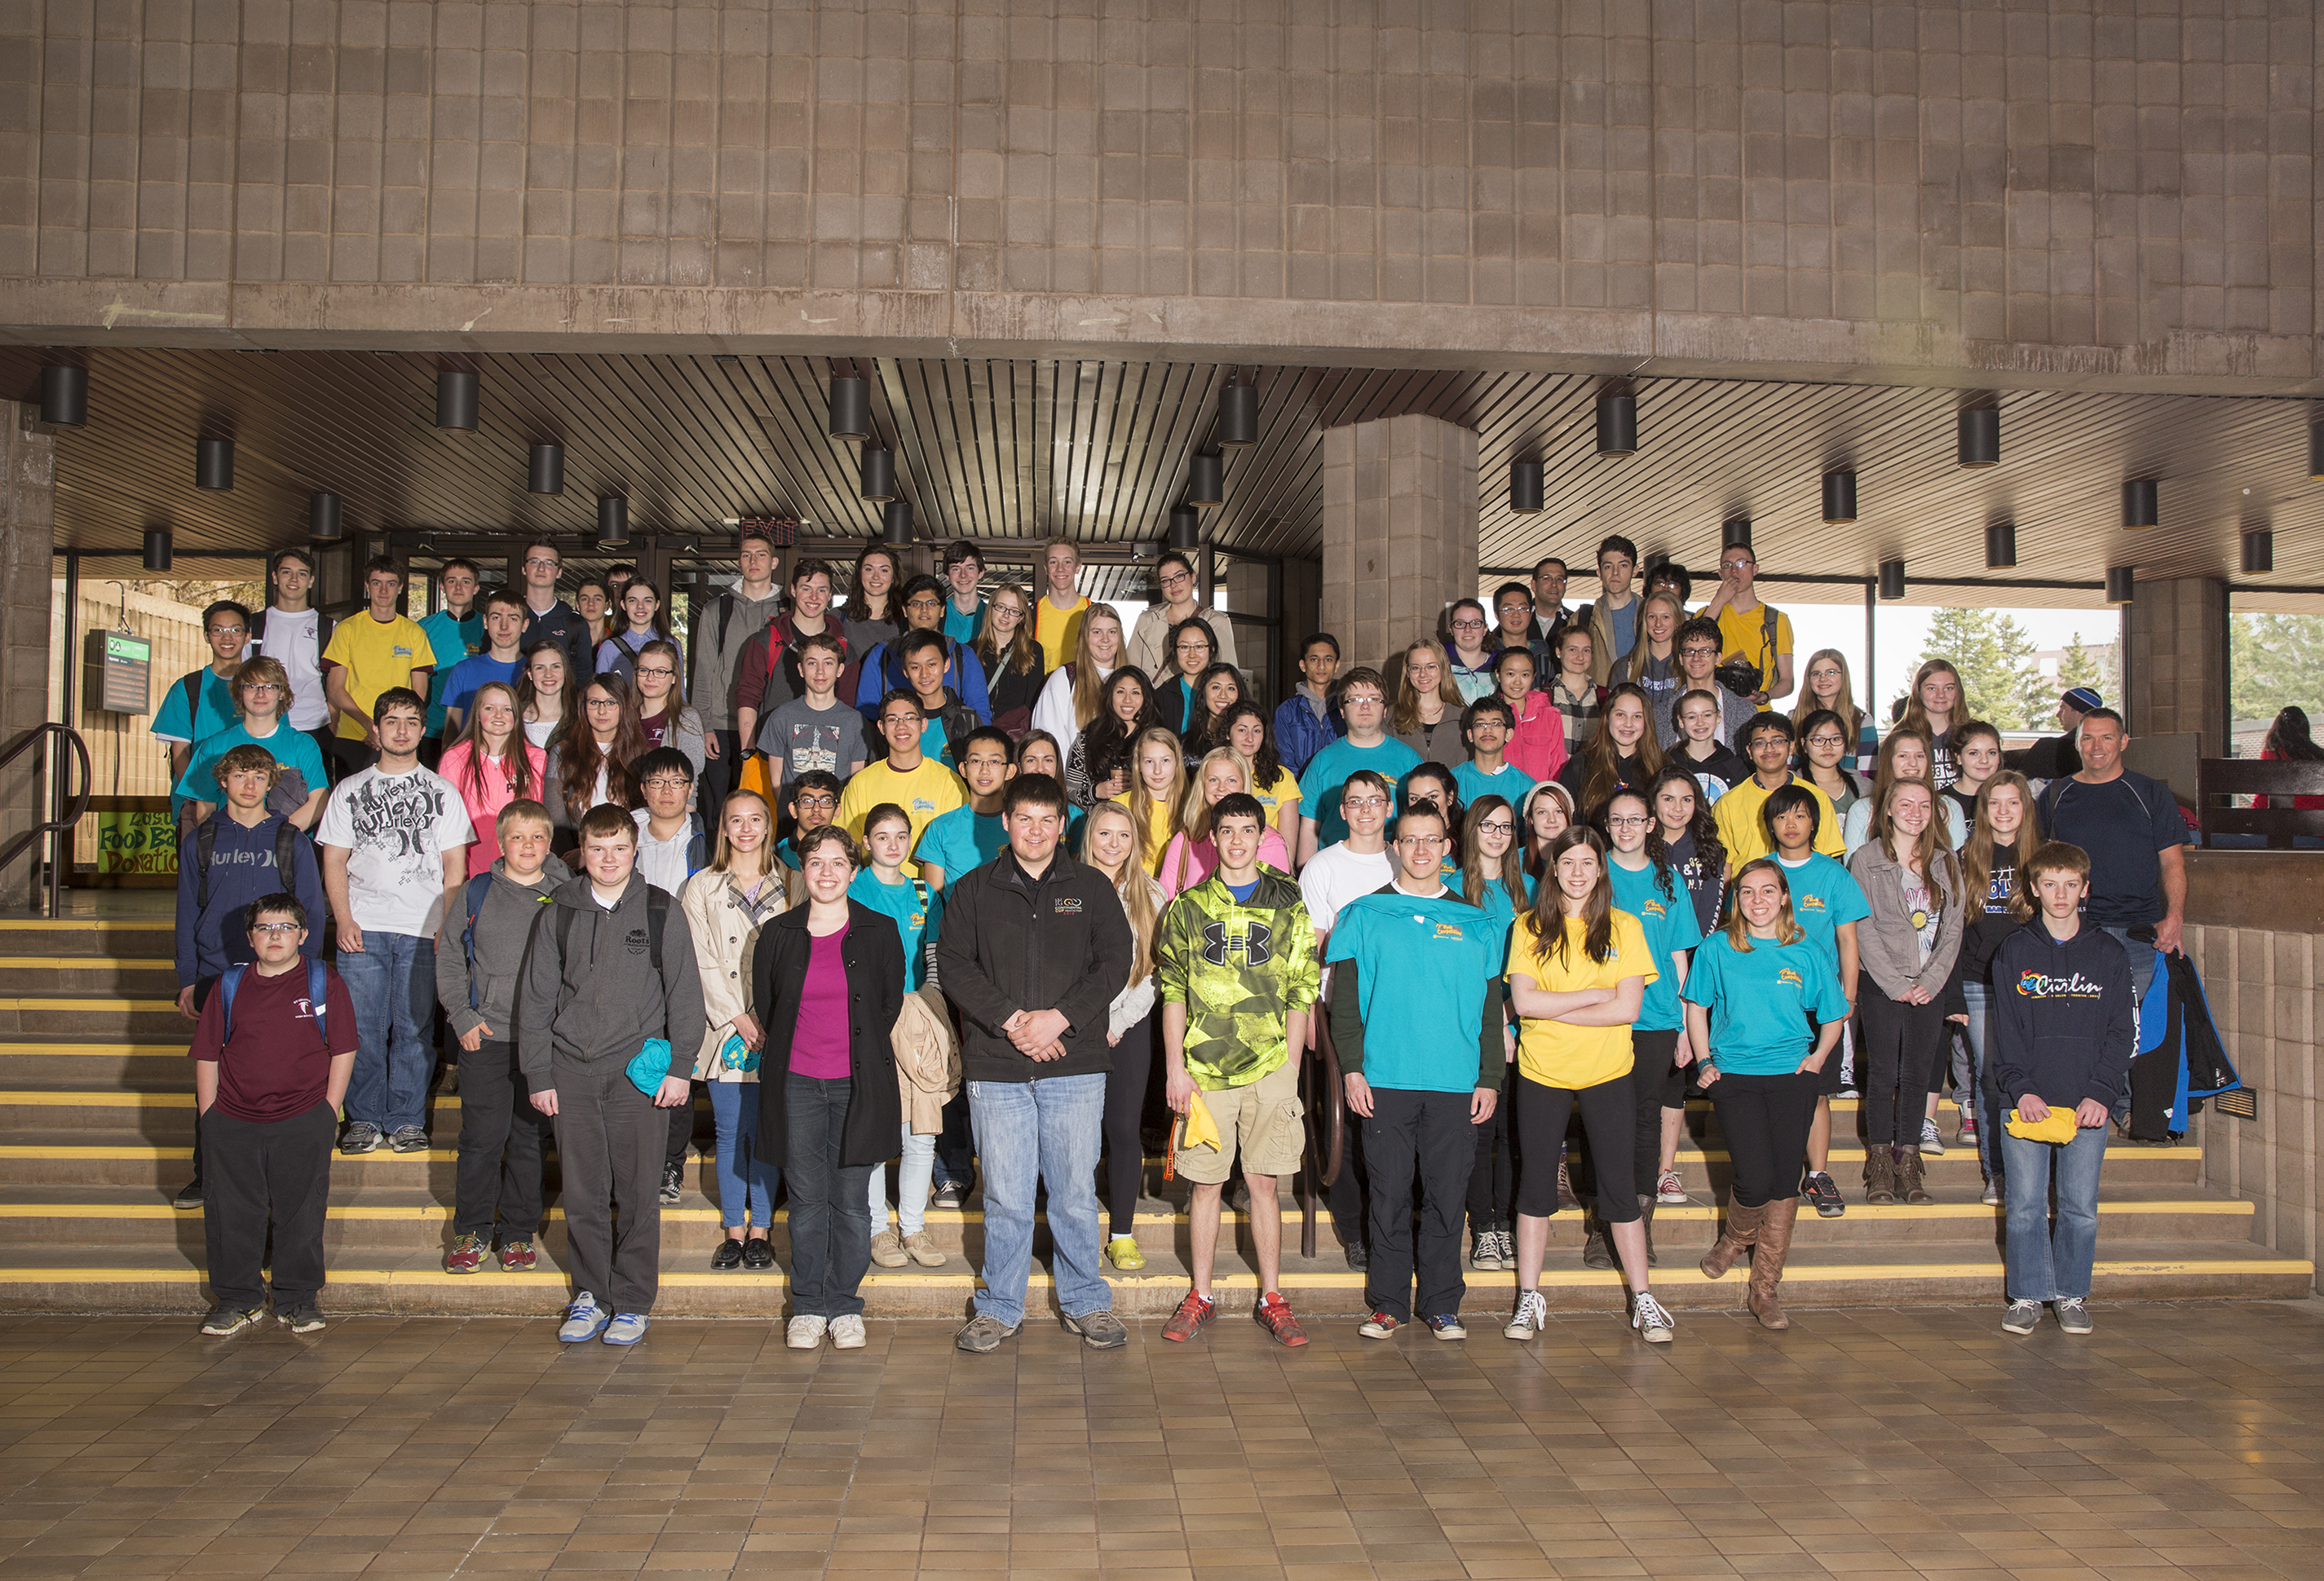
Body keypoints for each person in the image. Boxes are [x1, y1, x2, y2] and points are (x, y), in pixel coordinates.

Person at [935, 774, 1134, 1354]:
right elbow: (954, 963)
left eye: (1048, 820)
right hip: (997, 1066)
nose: (1037, 831)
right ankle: (999, 1305)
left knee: (1073, 1189)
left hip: (1074, 1064)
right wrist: (1013, 1020)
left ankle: (1086, 1300)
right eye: (1025, 819)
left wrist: (1060, 1019)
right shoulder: (973, 890)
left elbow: (1115, 961)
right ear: (1006, 822)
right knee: (1006, 1192)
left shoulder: (1091, 889)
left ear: (1062, 825)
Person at [523, 804, 706, 1347]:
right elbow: (535, 1000)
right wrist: (538, 1072)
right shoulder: (557, 910)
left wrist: (680, 1066)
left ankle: (630, 1300)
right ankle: (590, 1293)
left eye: (620, 847)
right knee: (582, 1192)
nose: (609, 858)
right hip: (571, 1069)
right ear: (582, 851)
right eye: (598, 848)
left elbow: (685, 994)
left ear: (635, 850)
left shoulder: (659, 909)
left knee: (637, 1191)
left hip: (636, 1075)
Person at [1329, 803, 1503, 1341]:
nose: (1421, 850)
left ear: (1448, 846)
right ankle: (1388, 1303)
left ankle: (1442, 1303)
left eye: (1432, 840)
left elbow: (1490, 1009)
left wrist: (1491, 1076)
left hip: (1454, 1082)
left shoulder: (1477, 921)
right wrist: (1353, 1071)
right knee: (1388, 1193)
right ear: (1395, 846)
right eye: (1410, 840)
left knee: (1449, 1194)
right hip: (1386, 1080)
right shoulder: (1364, 914)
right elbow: (1344, 1007)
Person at [1155, 793, 1319, 1347]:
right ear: (1213, 836)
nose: (1237, 840)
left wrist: (1291, 1067)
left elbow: (1303, 988)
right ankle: (1201, 1294)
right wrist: (1176, 1068)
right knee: (1204, 1185)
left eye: (1247, 829)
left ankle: (1272, 1295)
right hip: (1205, 1069)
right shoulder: (1188, 907)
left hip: (1271, 1063)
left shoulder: (1288, 900)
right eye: (1227, 829)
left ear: (1261, 834)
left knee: (1264, 1184)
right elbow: (1172, 991)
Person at [1503, 829, 1673, 1345]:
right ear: (1552, 869)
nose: (1577, 872)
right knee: (1535, 1188)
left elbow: (1627, 1010)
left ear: (1601, 870)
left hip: (1608, 1073)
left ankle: (1643, 1298)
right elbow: (1524, 1004)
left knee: (1619, 1190)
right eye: (1567, 862)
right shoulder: (1528, 927)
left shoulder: (1625, 927)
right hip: (1542, 1072)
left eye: (1587, 863)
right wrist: (1593, 994)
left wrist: (1560, 1003)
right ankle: (1529, 1297)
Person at [751, 824, 904, 1351]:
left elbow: (888, 1005)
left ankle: (844, 1304)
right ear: (803, 868)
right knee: (808, 1201)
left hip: (857, 1087)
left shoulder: (880, 931)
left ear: (854, 870)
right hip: (795, 1086)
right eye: (816, 862)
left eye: (838, 862)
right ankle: (809, 1304)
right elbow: (769, 1006)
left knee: (853, 1202)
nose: (826, 872)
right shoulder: (778, 934)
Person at [1681, 859, 1849, 1330]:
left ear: (1783, 897)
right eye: (1747, 892)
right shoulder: (1717, 948)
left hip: (1792, 1077)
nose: (1758, 901)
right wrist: (1705, 1062)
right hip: (1734, 1076)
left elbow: (1834, 1013)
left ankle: (1764, 1289)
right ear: (1737, 900)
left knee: (1782, 1183)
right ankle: (1735, 1237)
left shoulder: (1806, 950)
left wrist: (1816, 1060)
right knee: (1754, 1177)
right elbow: (1697, 1008)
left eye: (1768, 891)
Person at [189, 892, 357, 1338]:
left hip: (304, 1116)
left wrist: (328, 1110)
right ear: (250, 938)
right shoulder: (229, 985)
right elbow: (207, 1054)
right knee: (230, 1213)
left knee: (300, 1212)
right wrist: (211, 1117)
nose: (274, 936)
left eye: (284, 927)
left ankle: (297, 1298)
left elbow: (343, 1048)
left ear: (303, 935)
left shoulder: (324, 981)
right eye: (264, 927)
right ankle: (237, 1299)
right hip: (233, 1119)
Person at [170, 743, 329, 1213]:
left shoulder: (290, 840)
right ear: (223, 781)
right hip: (216, 972)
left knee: (270, 1068)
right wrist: (186, 975)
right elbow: (185, 912)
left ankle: (273, 1177)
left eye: (259, 777)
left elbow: (312, 911)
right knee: (213, 1076)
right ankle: (208, 1176)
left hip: (277, 975)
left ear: (269, 783)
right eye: (240, 776)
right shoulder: (201, 839)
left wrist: (308, 971)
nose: (249, 785)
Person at [315, 687, 473, 1155]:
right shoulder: (349, 791)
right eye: (391, 721)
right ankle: (363, 1118)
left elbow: (455, 868)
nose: (401, 730)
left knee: (413, 1027)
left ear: (422, 731)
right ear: (376, 730)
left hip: (422, 929)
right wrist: (342, 919)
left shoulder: (443, 793)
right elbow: (334, 862)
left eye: (410, 721)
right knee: (362, 1028)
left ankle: (405, 1119)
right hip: (363, 925)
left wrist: (447, 925)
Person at [1993, 841, 2136, 1338]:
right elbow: (2006, 1031)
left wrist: (2102, 1092)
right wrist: (2022, 1088)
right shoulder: (2014, 951)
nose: (2060, 894)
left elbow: (2123, 1032)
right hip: (2028, 1101)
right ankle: (2029, 1295)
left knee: (2080, 1208)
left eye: (2070, 885)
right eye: (2050, 884)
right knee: (2027, 1205)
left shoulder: (2109, 954)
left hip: (2086, 1105)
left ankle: (2072, 1294)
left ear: (2085, 890)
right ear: (2034, 889)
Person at [435, 799, 568, 1275]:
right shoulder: (478, 892)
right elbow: (451, 957)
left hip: (543, 1042)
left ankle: (517, 1234)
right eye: (518, 837)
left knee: (530, 1142)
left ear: (550, 845)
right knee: (481, 1140)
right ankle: (472, 1231)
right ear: (501, 842)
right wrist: (463, 1016)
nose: (528, 846)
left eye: (538, 837)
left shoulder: (566, 894)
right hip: (486, 1037)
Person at [1588, 788, 1705, 1274]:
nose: (1627, 828)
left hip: (1656, 1019)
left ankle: (1637, 1223)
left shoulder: (1668, 879)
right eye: (1617, 821)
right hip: (1600, 1015)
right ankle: (1601, 1227)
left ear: (1651, 825)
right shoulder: (1594, 875)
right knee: (1601, 1122)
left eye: (1636, 819)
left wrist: (1683, 1025)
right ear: (1607, 827)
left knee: (1642, 1123)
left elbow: (1679, 956)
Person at [681, 788, 789, 1272]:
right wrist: (737, 1017)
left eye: (755, 820)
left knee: (766, 1129)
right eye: (735, 820)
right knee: (729, 1132)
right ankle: (733, 1231)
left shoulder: (791, 882)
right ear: (723, 828)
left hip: (777, 1024)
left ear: (768, 827)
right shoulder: (701, 886)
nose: (746, 829)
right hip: (725, 1025)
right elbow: (699, 960)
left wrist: (769, 1014)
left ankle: (762, 1229)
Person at [1848, 777, 1965, 1207]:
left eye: (1924, 805)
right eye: (1906, 804)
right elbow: (1863, 926)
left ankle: (1909, 1162)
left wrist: (1930, 983)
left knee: (1918, 1075)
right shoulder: (1866, 859)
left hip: (1929, 986)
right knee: (1882, 1074)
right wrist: (1897, 985)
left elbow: (1953, 929)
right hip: (1883, 985)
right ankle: (1880, 1163)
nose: (1915, 813)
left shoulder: (1946, 862)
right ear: (1889, 810)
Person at [846, 804, 952, 1273]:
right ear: (866, 841)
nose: (893, 844)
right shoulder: (852, 888)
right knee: (877, 1127)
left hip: (917, 1016)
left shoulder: (924, 892)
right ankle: (876, 1228)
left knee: (921, 1129)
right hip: (868, 1016)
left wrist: (929, 1007)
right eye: (883, 835)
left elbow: (934, 955)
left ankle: (912, 1225)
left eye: (901, 835)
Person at [1298, 769, 1395, 1267]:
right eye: (1355, 801)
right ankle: (1354, 1227)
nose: (1365, 810)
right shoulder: (1321, 866)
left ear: (1388, 806)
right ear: (1342, 810)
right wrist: (1313, 1012)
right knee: (1352, 1121)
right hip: (1343, 1009)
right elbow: (1312, 947)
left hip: (1399, 1009)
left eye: (1374, 800)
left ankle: (1395, 1225)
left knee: (1396, 1122)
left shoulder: (1407, 857)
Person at [1760, 784, 1867, 1220]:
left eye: (1800, 816)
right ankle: (1769, 1171)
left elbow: (1847, 940)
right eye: (1782, 817)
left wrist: (1849, 998)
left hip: (1818, 1002)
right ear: (1771, 824)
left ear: (1814, 824)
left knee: (1816, 1092)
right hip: (1766, 1002)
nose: (1790, 824)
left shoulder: (1834, 875)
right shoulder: (1758, 871)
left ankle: (1818, 1174)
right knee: (1770, 1090)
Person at [2033, 707, 2188, 1005]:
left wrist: (2175, 917)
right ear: (2077, 743)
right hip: (2074, 930)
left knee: (2132, 1031)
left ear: (2124, 742)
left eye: (2106, 737)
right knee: (2077, 1025)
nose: (2096, 747)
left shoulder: (2151, 793)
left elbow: (2173, 863)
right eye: (2088, 738)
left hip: (2139, 933)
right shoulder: (2055, 794)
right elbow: (2035, 864)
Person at [1080, 802, 1164, 1271]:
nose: (1113, 844)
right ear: (1089, 836)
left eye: (1124, 836)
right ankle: (1075, 1228)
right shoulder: (1066, 886)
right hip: (1076, 1027)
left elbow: (1154, 972)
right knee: (1077, 1135)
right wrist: (1087, 1022)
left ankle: (1123, 1233)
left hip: (1128, 1028)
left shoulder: (1149, 894)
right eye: (1104, 834)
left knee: (1123, 1129)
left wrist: (1118, 1022)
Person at [1957, 771, 2040, 1203]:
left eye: (2013, 802)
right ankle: (1999, 1174)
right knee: (1991, 1080)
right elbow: (1949, 933)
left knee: (2037, 1076)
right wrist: (1952, 990)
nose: (2004, 811)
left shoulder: (2044, 859)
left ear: (2026, 809)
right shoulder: (1964, 858)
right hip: (1979, 985)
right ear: (1983, 810)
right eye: (1995, 803)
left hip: (2036, 988)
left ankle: (2038, 1173)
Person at [1456, 797, 1528, 1270]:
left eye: (1505, 827)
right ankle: (1483, 1228)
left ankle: (1505, 1225)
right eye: (1488, 825)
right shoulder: (1452, 887)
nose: (1497, 835)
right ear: (1471, 830)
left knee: (1515, 1135)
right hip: (1475, 1027)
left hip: (1527, 1026)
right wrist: (1497, 1023)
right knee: (1480, 1133)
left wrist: (1515, 1022)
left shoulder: (1532, 889)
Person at [690, 526, 784, 820]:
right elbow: (704, 668)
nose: (753, 561)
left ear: (774, 562)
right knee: (722, 807)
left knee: (767, 805)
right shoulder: (718, 609)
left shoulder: (788, 611)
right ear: (739, 562)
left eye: (761, 555)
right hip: (723, 724)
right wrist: (703, 725)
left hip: (771, 722)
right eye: (746, 555)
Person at [174, 657, 329, 831]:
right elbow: (205, 809)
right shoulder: (214, 747)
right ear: (239, 692)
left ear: (282, 693)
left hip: (287, 848)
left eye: (269, 686)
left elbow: (319, 800)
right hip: (230, 848)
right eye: (251, 686)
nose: (260, 694)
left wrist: (277, 837)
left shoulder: (303, 744)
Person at [321, 557, 437, 774]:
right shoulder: (347, 629)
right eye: (377, 583)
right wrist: (369, 725)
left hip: (398, 737)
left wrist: (390, 727)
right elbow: (335, 689)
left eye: (391, 583)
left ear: (400, 587)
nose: (383, 590)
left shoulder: (414, 633)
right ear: (367, 586)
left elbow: (419, 692)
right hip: (354, 734)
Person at [732, 558, 849, 767]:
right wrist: (749, 751)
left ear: (830, 595)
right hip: (770, 755)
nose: (814, 597)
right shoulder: (766, 641)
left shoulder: (843, 646)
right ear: (793, 590)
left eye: (821, 590)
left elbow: (848, 706)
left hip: (826, 759)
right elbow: (748, 696)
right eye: (806, 589)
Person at [1297, 668, 1421, 863]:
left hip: (1393, 866)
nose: (1365, 706)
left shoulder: (1409, 760)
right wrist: (1305, 876)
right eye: (1355, 699)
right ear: (1342, 711)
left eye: (1374, 699)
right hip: (1335, 868)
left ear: (1385, 710)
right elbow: (1309, 829)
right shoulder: (1322, 761)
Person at [834, 692, 969, 866]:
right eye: (892, 720)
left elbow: (959, 848)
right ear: (881, 727)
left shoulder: (949, 782)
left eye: (910, 718)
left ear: (924, 724)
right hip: (875, 890)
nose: (901, 726)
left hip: (929, 890)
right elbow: (847, 847)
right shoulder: (861, 783)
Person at [438, 681, 548, 877]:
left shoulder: (536, 759)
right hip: (469, 865)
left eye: (506, 709)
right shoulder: (455, 757)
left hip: (522, 867)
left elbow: (540, 820)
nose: (499, 716)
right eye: (490, 708)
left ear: (516, 715)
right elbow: (444, 821)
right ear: (477, 714)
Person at [854, 575, 993, 725]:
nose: (924, 610)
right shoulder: (881, 655)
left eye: (932, 603)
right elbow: (866, 715)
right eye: (916, 604)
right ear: (905, 611)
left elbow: (980, 715)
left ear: (942, 610)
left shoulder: (962, 655)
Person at [247, 547, 337, 776]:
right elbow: (241, 678)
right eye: (287, 572)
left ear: (311, 581)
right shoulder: (254, 624)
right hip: (265, 725)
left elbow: (338, 683)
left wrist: (333, 724)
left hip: (315, 726)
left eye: (302, 574)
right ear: (275, 578)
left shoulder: (328, 627)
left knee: (314, 797)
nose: (294, 579)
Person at [1156, 747, 1291, 897]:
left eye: (1231, 780)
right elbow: (1166, 904)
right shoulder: (1186, 840)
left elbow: (1281, 905)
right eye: (1213, 779)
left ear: (1243, 784)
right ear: (1202, 785)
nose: (1221, 788)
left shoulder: (1270, 842)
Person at [1713, 713, 1843, 865]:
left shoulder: (1816, 797)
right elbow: (1725, 866)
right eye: (1760, 743)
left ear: (1792, 746)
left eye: (1777, 741)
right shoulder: (1728, 803)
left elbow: (1826, 860)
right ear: (1749, 751)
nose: (1769, 749)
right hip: (1748, 887)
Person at [153, 600, 253, 783]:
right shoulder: (188, 687)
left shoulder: (264, 687)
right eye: (218, 630)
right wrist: (194, 799)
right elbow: (180, 752)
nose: (227, 638)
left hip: (251, 797)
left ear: (247, 636)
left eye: (235, 630)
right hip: (198, 794)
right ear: (207, 636)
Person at [753, 631, 868, 789]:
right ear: (801, 669)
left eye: (828, 663)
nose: (820, 671)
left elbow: (856, 782)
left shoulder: (855, 721)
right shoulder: (781, 717)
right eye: (812, 663)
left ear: (840, 669)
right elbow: (776, 781)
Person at [546, 674, 645, 845]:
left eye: (611, 703)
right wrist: (581, 855)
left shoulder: (642, 756)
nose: (602, 711)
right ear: (583, 707)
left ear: (624, 707)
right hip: (575, 858)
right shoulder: (562, 753)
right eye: (594, 703)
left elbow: (645, 819)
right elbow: (556, 822)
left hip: (628, 857)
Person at [1841, 726, 1968, 855]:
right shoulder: (1862, 810)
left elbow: (1957, 866)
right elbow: (1855, 870)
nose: (1913, 763)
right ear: (1888, 761)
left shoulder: (1949, 808)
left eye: (1920, 756)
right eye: (1903, 756)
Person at [917, 726, 1016, 889]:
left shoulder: (1024, 825)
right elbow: (933, 900)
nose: (984, 770)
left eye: (994, 762)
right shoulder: (941, 828)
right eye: (976, 761)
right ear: (963, 769)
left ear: (1009, 771)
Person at [1699, 542, 1793, 704]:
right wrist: (1719, 600)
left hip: (1757, 713)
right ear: (1721, 573)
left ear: (1755, 569)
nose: (1734, 571)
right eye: (1727, 565)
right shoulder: (1708, 614)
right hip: (1714, 711)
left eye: (1742, 563)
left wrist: (1765, 696)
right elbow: (1693, 646)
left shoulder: (1775, 620)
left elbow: (1787, 681)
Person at [1557, 682, 1663, 815]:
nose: (1628, 724)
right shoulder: (1580, 765)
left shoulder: (1662, 765)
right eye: (1620, 715)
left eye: (1637, 716)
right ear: (1607, 717)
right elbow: (1565, 819)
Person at [1129, 549, 1240, 677]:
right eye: (1166, 580)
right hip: (1156, 695)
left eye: (1179, 576)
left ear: (1193, 577)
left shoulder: (1217, 622)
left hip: (1199, 695)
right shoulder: (1148, 620)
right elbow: (1132, 670)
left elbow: (1228, 675)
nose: (1174, 585)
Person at [1029, 604, 1124, 748]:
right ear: (1084, 636)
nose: (1105, 639)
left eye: (1112, 632)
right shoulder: (1064, 680)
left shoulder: (1137, 681)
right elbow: (1046, 744)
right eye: (1097, 632)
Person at [440, 587, 529, 739]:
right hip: (472, 758)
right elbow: (451, 733)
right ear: (485, 622)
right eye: (496, 618)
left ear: (525, 625)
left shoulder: (534, 672)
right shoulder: (463, 670)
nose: (504, 626)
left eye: (513, 619)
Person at [1655, 618, 1757, 748]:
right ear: (1681, 659)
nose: (1696, 658)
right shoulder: (1662, 714)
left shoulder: (1745, 711)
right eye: (1690, 651)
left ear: (1718, 658)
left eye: (1705, 651)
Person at [1066, 666, 1155, 809]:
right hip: (1097, 825)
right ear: (1109, 696)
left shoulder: (1157, 742)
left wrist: (1141, 785)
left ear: (1146, 698)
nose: (1128, 700)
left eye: (1136, 692)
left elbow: (1172, 792)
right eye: (1120, 692)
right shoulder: (1087, 740)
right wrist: (1096, 792)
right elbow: (1069, 793)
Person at [418, 559, 483, 753]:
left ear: (476, 588)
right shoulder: (424, 628)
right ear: (442, 587)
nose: (459, 587)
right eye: (452, 581)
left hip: (476, 728)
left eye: (466, 581)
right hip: (432, 728)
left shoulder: (488, 627)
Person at [890, 627, 979, 766]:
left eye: (931, 664)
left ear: (946, 664)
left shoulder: (968, 719)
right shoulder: (895, 722)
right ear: (906, 672)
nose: (924, 674)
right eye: (915, 667)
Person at [1223, 702, 1302, 855]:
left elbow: (1288, 847)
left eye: (1257, 731)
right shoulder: (1214, 774)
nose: (1250, 738)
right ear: (1228, 733)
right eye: (1242, 730)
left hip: (1267, 867)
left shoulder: (1282, 778)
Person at [513, 541, 593, 681]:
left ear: (559, 572)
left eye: (549, 563)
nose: (541, 568)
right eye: (534, 561)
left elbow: (583, 675)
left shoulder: (574, 622)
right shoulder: (509, 617)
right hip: (512, 701)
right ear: (524, 569)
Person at [974, 584, 1046, 736]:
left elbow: (1033, 704)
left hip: (1014, 737)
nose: (1006, 615)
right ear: (991, 608)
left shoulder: (1033, 651)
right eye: (1001, 607)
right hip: (978, 735)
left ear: (1021, 617)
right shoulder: (971, 650)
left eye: (1014, 611)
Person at [631, 749, 705, 899]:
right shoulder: (625, 840)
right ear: (644, 790)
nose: (666, 791)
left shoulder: (707, 842)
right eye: (657, 782)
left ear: (690, 789)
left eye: (676, 782)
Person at [630, 638, 706, 779]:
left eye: (660, 672)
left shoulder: (686, 719)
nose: (650, 678)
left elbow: (690, 779)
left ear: (674, 677)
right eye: (644, 670)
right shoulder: (624, 716)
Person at [1116, 726, 1187, 873]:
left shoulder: (1192, 806)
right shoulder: (1119, 806)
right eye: (1149, 761)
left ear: (1177, 763)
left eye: (1165, 760)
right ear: (1138, 765)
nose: (1157, 770)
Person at [1575, 535, 1643, 685]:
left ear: (1635, 570)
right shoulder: (1583, 619)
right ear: (1599, 573)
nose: (1615, 572)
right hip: (1600, 702)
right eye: (1608, 567)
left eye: (1623, 565)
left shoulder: (1651, 616)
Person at [1794, 649, 1877, 772]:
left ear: (1844, 677)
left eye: (1831, 672)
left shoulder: (1862, 721)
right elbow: (1788, 768)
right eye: (1816, 674)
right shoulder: (1794, 718)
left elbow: (1869, 774)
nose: (1823, 679)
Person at [1493, 645, 1566, 785]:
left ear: (1534, 677)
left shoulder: (1550, 716)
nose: (1517, 682)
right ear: (1498, 675)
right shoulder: (1489, 716)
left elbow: (1558, 765)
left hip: (1539, 800)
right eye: (1510, 674)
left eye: (1525, 675)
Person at [1274, 633, 1342, 776]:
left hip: (1342, 791)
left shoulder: (1348, 707)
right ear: (1303, 665)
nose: (1321, 666)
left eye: (1328, 659)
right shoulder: (1287, 711)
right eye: (1314, 659)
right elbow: (1286, 764)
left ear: (1337, 665)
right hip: (1302, 793)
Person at [1451, 696, 1535, 812]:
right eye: (1480, 724)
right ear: (1470, 735)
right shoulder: (1454, 780)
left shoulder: (1526, 787)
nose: (1488, 730)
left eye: (1496, 724)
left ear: (1508, 734)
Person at [1389, 638, 1466, 762]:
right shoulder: (1391, 717)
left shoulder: (1463, 717)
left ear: (1443, 668)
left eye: (1430, 667)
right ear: (1408, 672)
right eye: (1416, 668)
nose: (1423, 674)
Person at [1610, 588, 1684, 719]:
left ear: (1677, 621)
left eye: (1665, 617)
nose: (1658, 624)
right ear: (1644, 621)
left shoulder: (1689, 666)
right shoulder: (1625, 667)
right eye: (1652, 617)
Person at [1667, 688, 1750, 803]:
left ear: (1718, 717)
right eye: (1692, 717)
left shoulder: (1735, 767)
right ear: (1681, 721)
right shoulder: (1667, 765)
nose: (1700, 723)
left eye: (1707, 715)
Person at [1898, 659, 1966, 791]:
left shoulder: (1972, 735)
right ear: (1918, 691)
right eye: (1932, 688)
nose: (1941, 695)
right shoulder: (1899, 737)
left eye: (1949, 688)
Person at [2012, 684, 2100, 781]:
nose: (2058, 715)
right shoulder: (2106, 751)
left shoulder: (2048, 747)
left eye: (2063, 708)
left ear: (2080, 713)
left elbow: (2020, 784)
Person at [1795, 707, 1865, 827]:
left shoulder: (1864, 786)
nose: (1828, 747)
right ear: (1804, 744)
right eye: (1818, 740)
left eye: (1836, 739)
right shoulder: (1791, 785)